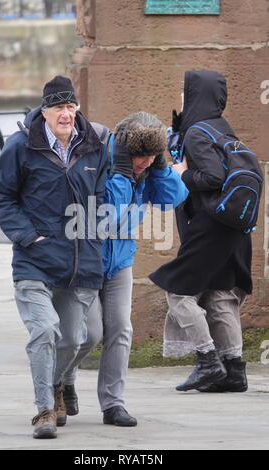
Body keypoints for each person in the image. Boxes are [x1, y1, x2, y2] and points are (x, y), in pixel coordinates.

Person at [0, 76, 108, 439]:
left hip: (80, 260)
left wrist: (95, 231)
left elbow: (100, 194)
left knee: (75, 339)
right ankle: (43, 410)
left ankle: (56, 383)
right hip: (34, 259)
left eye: (71, 106)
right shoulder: (21, 146)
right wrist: (27, 236)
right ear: (44, 111)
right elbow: (0, 194)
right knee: (43, 330)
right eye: (58, 107)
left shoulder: (97, 145)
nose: (66, 113)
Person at [57, 112, 189, 426]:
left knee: (120, 329)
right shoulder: (99, 160)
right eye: (139, 156)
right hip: (86, 259)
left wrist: (160, 168)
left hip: (120, 261)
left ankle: (113, 404)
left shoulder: (149, 166)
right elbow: (107, 219)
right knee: (87, 334)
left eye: (151, 156)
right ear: (125, 150)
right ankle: (61, 380)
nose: (144, 161)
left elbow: (172, 198)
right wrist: (121, 173)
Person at [149, 70, 252, 393]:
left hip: (210, 227)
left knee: (178, 291)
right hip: (233, 227)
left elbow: (211, 177)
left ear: (196, 96)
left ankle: (208, 362)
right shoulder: (222, 128)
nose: (181, 97)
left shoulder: (196, 132)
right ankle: (234, 370)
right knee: (220, 294)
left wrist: (182, 174)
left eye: (186, 91)